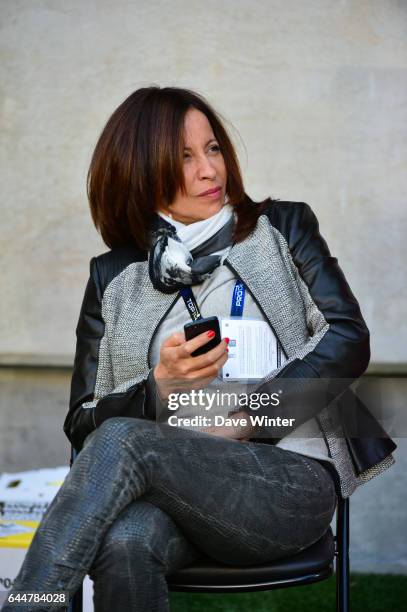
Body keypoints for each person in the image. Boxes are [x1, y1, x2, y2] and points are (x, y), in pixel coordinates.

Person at [2, 86, 396, 612]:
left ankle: (27, 604)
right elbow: (82, 420)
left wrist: (245, 417)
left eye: (212, 149)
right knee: (124, 543)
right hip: (177, 495)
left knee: (125, 440)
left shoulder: (282, 229)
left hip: (287, 483)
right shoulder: (114, 276)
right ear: (142, 172)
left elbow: (348, 338)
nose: (210, 170)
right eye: (184, 158)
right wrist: (159, 389)